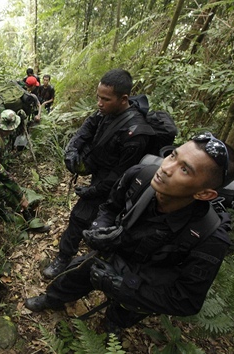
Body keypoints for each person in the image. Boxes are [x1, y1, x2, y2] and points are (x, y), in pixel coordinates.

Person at [25, 134, 234, 337]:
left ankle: (112, 325)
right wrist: (100, 228)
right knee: (75, 275)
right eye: (173, 155)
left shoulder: (209, 237)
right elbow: (110, 208)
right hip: (115, 251)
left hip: (148, 280)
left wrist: (123, 287)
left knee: (124, 313)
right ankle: (52, 299)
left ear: (204, 193)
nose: (166, 168)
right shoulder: (141, 175)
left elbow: (187, 301)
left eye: (184, 170)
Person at [42, 68, 154, 279]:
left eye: (105, 99)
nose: (99, 103)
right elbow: (88, 126)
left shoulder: (135, 134)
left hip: (115, 184)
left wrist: (92, 191)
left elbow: (120, 175)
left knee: (82, 218)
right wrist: (73, 148)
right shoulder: (106, 111)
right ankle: (68, 257)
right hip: (101, 173)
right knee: (82, 219)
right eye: (98, 97)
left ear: (124, 99)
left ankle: (68, 261)